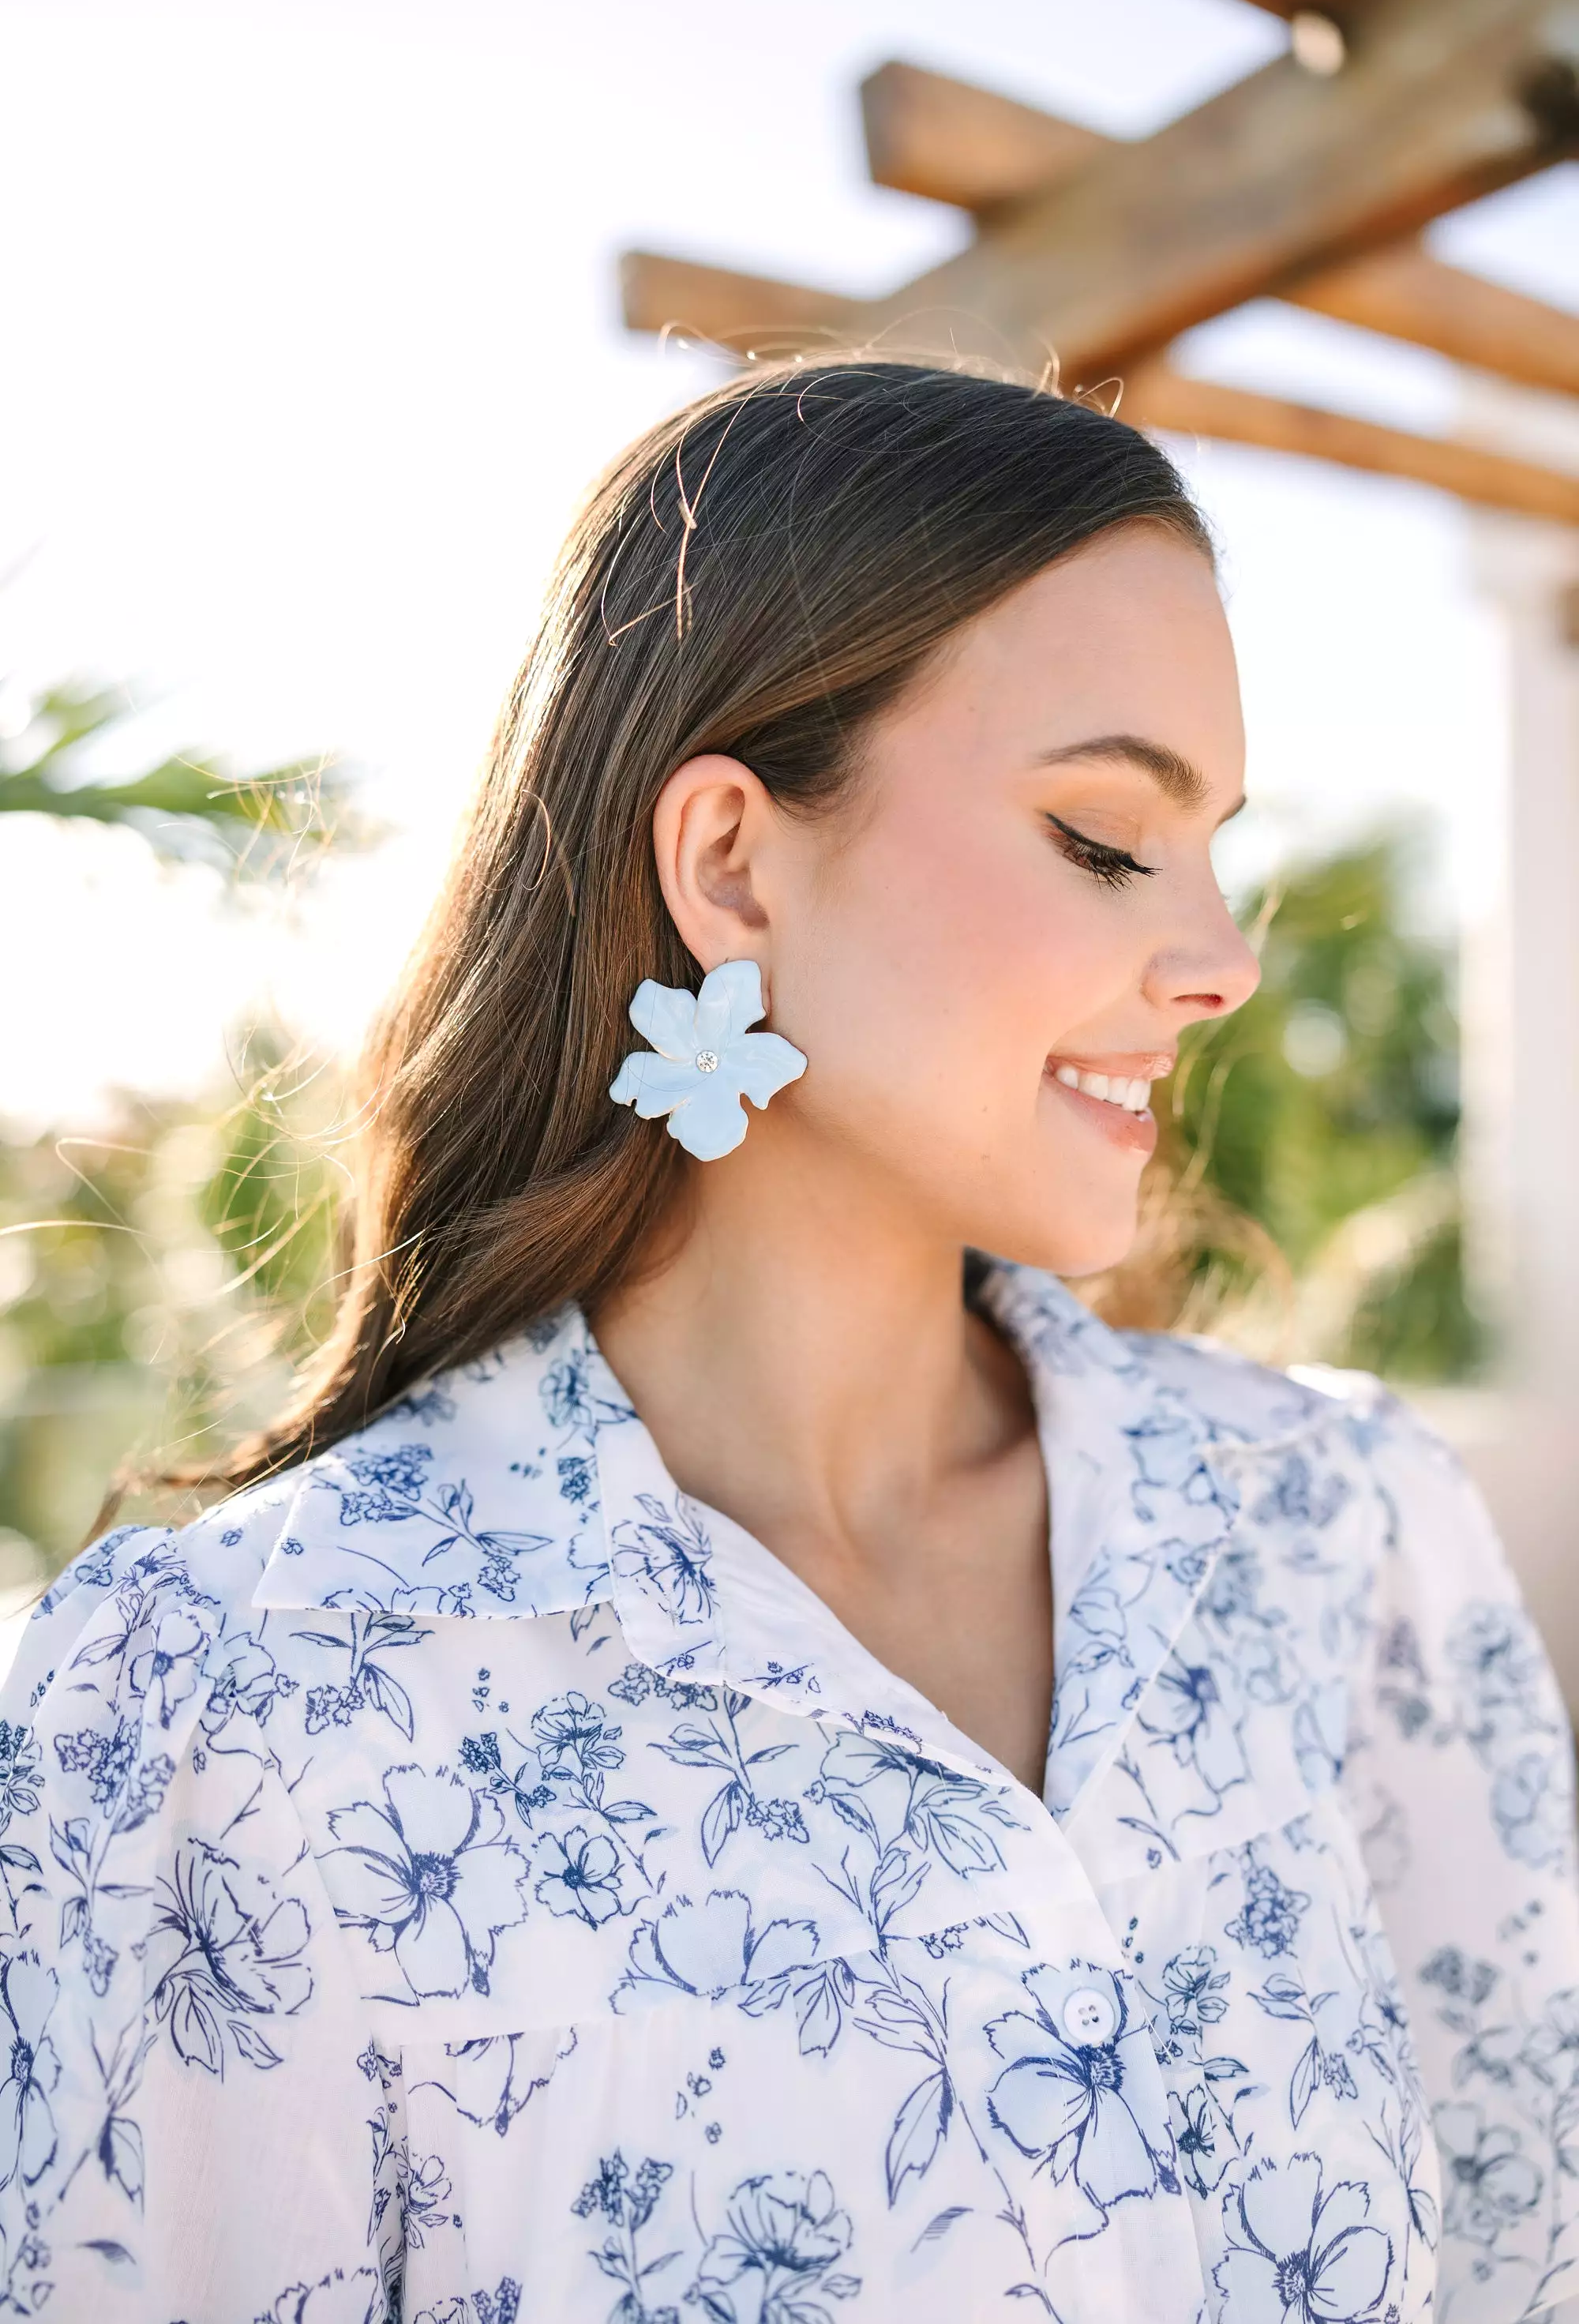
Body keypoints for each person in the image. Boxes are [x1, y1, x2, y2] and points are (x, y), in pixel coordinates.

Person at [1, 359, 1573, 2324]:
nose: (1226, 956)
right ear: (731, 861)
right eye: (1107, 835)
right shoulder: (241, 1716)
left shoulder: (1343, 1541)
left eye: (1216, 844)